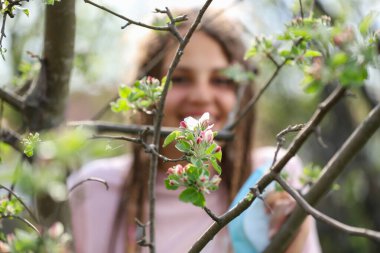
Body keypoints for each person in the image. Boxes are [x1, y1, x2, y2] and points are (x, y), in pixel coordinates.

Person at [68, 8, 321, 253]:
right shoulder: (94, 190)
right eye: (180, 79)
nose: (201, 97)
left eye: (221, 80)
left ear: (243, 96)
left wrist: (292, 237)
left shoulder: (273, 175)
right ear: (146, 95)